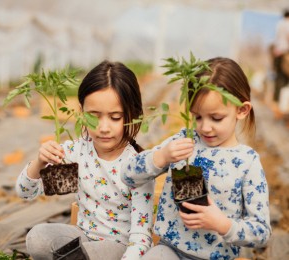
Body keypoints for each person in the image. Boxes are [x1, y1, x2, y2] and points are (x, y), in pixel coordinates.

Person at [122, 57, 272, 259]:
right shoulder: (185, 140)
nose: (204, 127)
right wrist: (161, 156)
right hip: (170, 249)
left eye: (216, 118)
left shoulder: (247, 161)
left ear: (242, 110)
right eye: (198, 117)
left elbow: (262, 233)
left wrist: (223, 224)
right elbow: (128, 175)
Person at [16, 60, 155, 259]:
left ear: (133, 115)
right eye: (94, 116)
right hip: (82, 237)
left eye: (115, 117)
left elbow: (141, 237)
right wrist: (39, 162)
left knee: (80, 255)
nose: (103, 127)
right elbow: (24, 192)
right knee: (38, 238)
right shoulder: (77, 151)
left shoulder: (137, 166)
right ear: (81, 112)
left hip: (118, 248)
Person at [273, 8, 289, 101]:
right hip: (285, 53)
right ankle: (282, 101)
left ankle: (277, 98)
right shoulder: (287, 24)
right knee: (285, 76)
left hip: (278, 53)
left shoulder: (279, 24)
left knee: (279, 77)